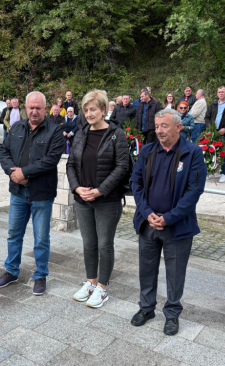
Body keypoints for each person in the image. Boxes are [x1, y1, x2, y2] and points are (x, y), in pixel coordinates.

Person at [130, 108, 207, 336]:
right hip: (148, 223)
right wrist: (146, 212)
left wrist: (169, 218)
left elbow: (194, 191)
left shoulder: (192, 153)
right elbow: (136, 183)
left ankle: (172, 314)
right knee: (147, 268)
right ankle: (146, 308)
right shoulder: (147, 151)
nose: (159, 131)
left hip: (177, 226)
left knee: (175, 273)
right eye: (157, 126)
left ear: (179, 127)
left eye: (164, 126)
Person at [0, 91, 64, 295]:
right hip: (18, 192)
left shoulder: (55, 131)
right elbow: (3, 152)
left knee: (41, 238)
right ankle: (11, 271)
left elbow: (51, 160)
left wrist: (25, 172)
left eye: (38, 108)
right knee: (13, 234)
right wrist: (13, 173)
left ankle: (40, 275)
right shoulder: (16, 127)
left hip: (41, 194)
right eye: (31, 107)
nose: (34, 111)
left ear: (46, 108)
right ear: (25, 107)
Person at [66, 90, 130, 308]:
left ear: (104, 110)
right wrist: (76, 188)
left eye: (93, 109)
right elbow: (71, 164)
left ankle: (102, 287)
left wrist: (101, 190)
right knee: (88, 244)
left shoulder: (116, 135)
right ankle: (91, 282)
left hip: (107, 200)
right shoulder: (81, 133)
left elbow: (123, 167)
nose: (89, 113)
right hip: (83, 199)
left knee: (104, 245)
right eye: (86, 109)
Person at [204, 86, 225, 183]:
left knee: (223, 153)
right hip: (213, 132)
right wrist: (210, 128)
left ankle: (223, 173)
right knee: (211, 151)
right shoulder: (213, 104)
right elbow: (207, 117)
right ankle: (211, 171)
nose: (221, 93)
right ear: (217, 93)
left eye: (223, 92)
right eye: (219, 92)